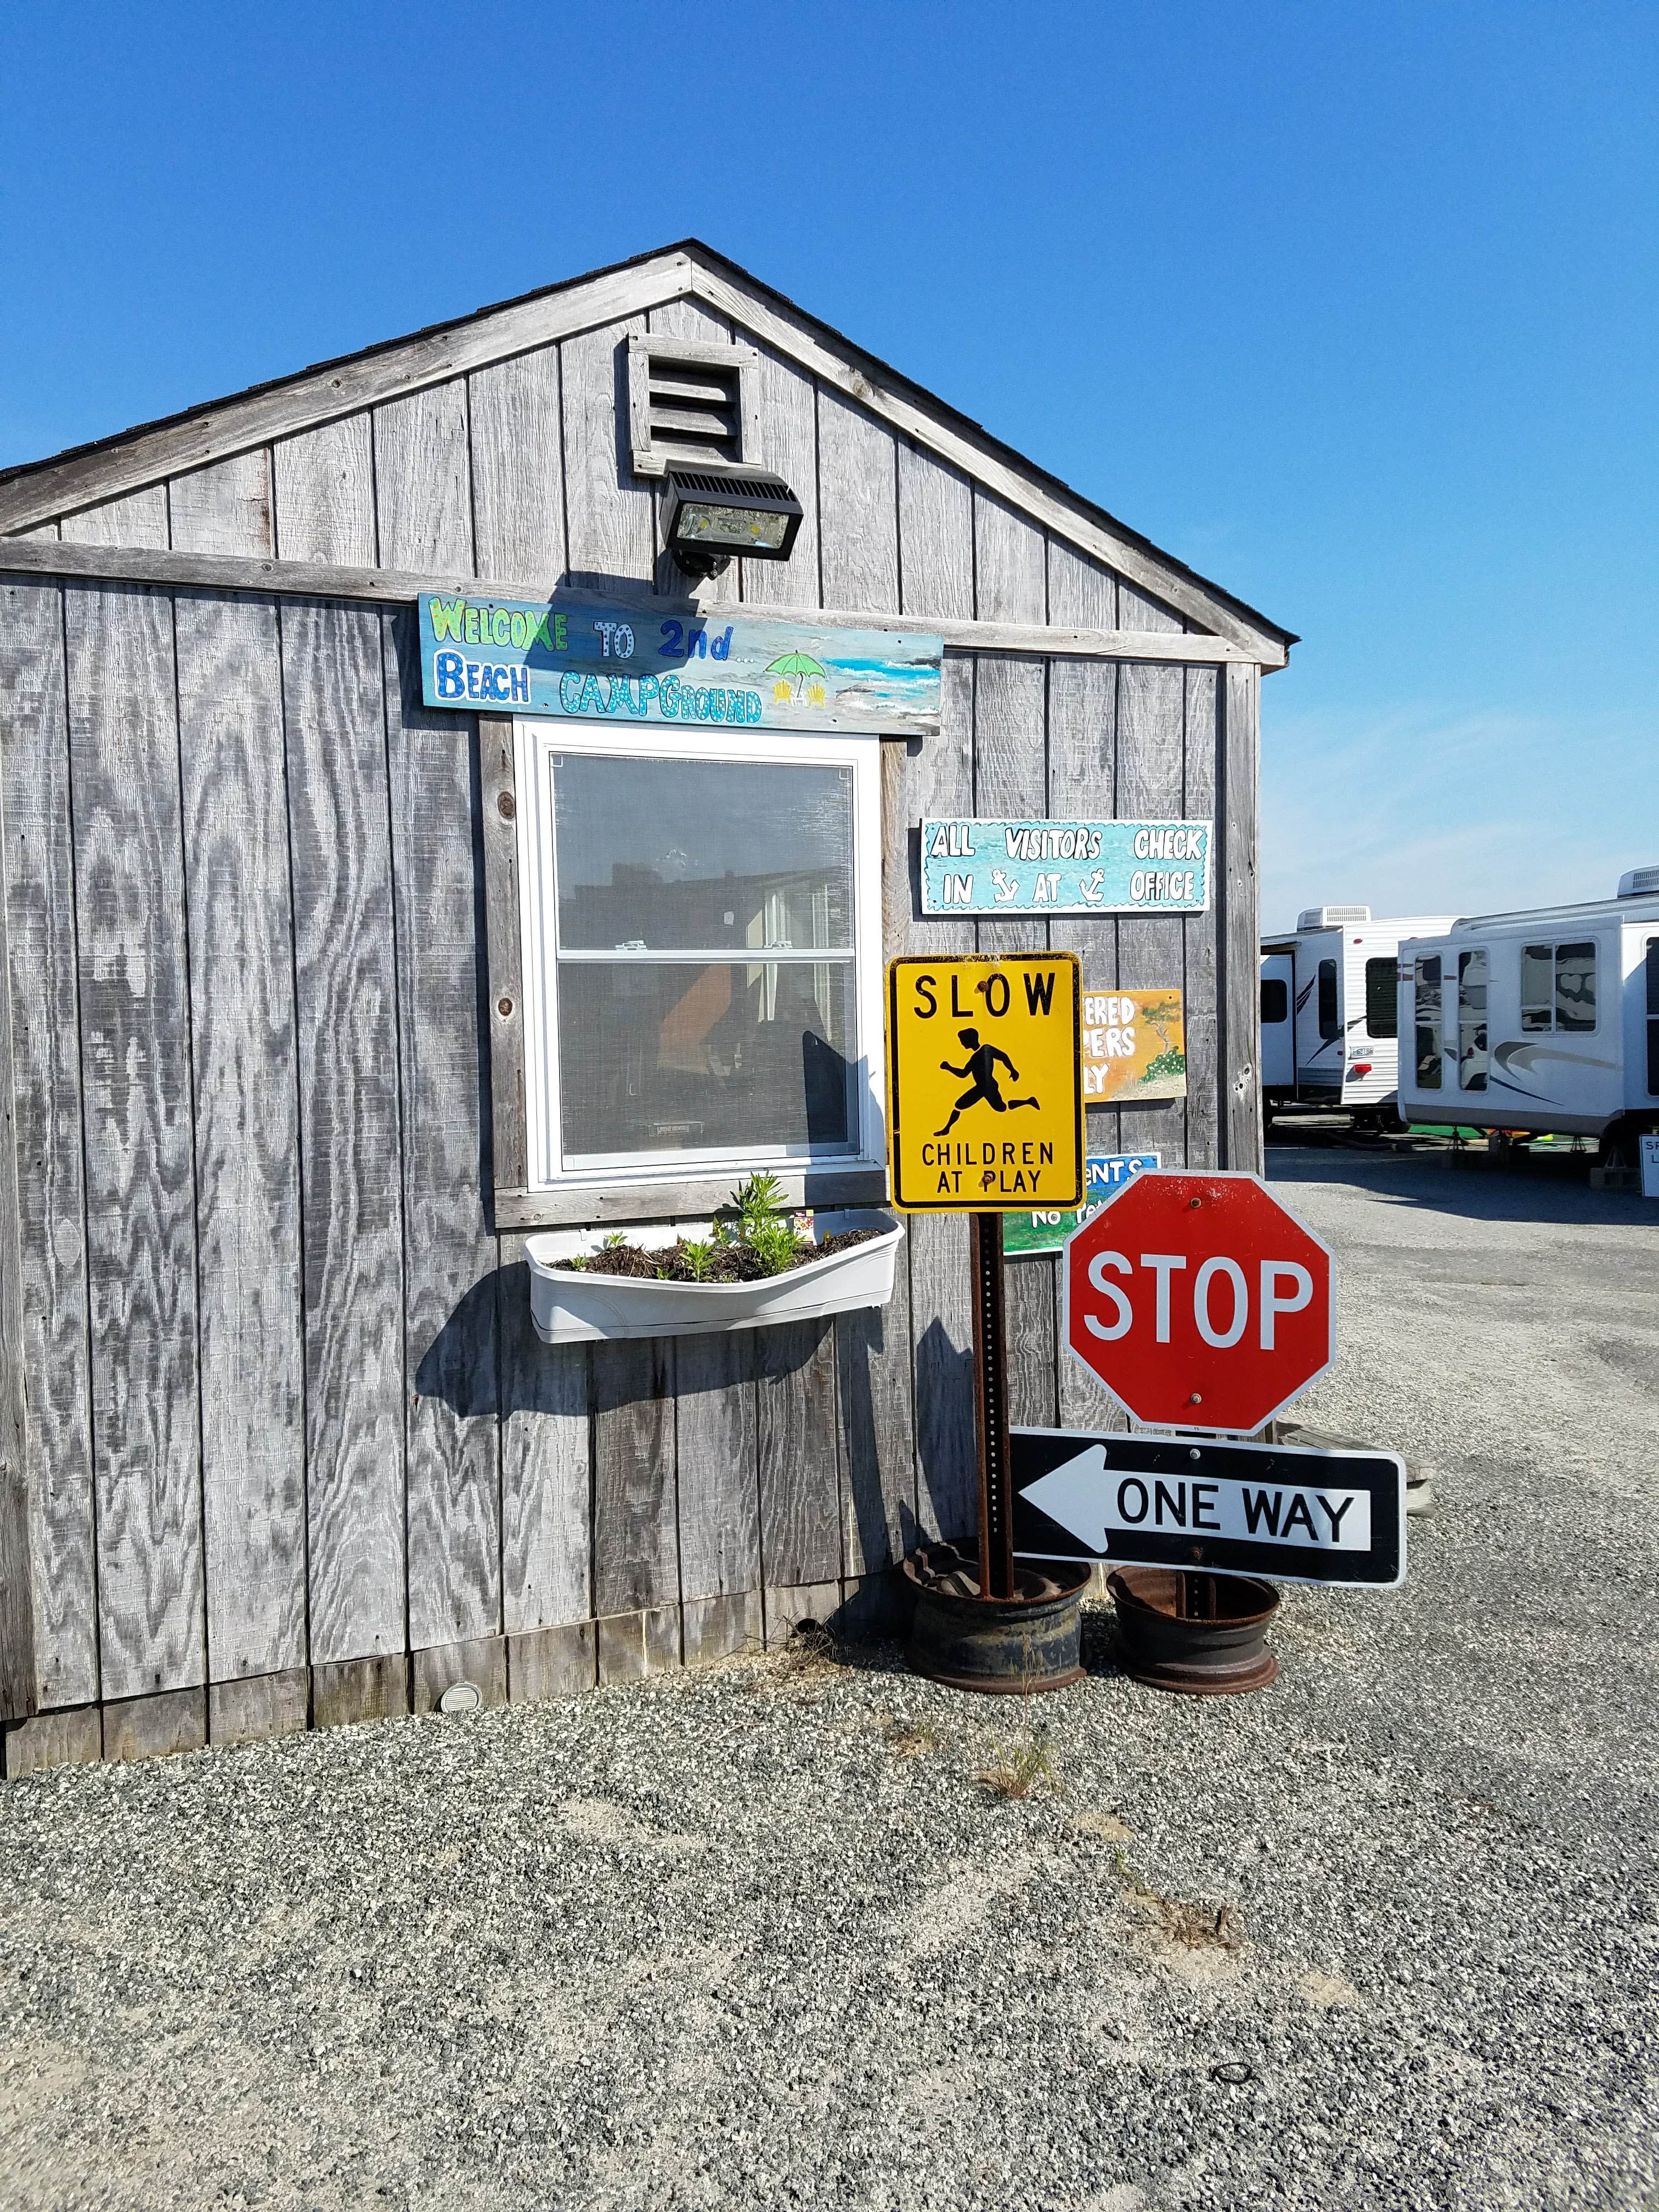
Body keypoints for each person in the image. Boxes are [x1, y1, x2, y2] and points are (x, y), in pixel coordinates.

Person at [934, 1028, 1040, 1136]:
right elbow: (964, 1074)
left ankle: (1028, 1101)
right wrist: (949, 1068)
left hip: (989, 1087)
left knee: (1002, 1108)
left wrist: (1013, 1070)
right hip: (980, 1088)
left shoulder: (986, 1049)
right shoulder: (975, 1057)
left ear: (970, 1040)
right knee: (959, 1105)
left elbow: (1003, 1056)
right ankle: (947, 1129)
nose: (962, 1043)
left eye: (963, 1040)